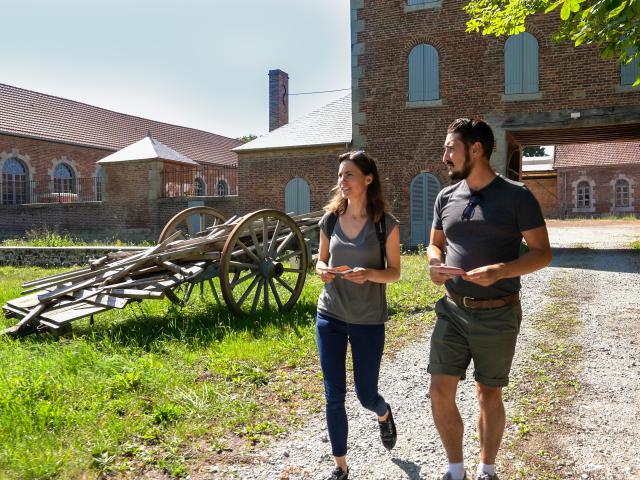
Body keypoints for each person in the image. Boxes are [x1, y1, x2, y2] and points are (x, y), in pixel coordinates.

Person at [426, 118, 552, 480]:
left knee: (488, 394)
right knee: (439, 391)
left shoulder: (517, 196)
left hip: (498, 313)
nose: (445, 155)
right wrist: (434, 262)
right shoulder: (445, 197)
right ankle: (455, 470)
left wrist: (501, 271)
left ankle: (487, 468)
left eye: (451, 148)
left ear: (476, 149)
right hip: (451, 310)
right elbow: (435, 244)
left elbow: (542, 253)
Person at [315, 150, 402, 480]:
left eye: (349, 174)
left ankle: (383, 413)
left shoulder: (386, 225)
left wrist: (368, 273)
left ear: (368, 179)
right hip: (330, 315)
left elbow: (394, 272)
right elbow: (320, 260)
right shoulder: (330, 219)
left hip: (368, 319)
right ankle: (341, 466)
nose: (342, 181)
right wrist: (323, 270)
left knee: (366, 394)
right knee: (333, 395)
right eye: (340, 175)